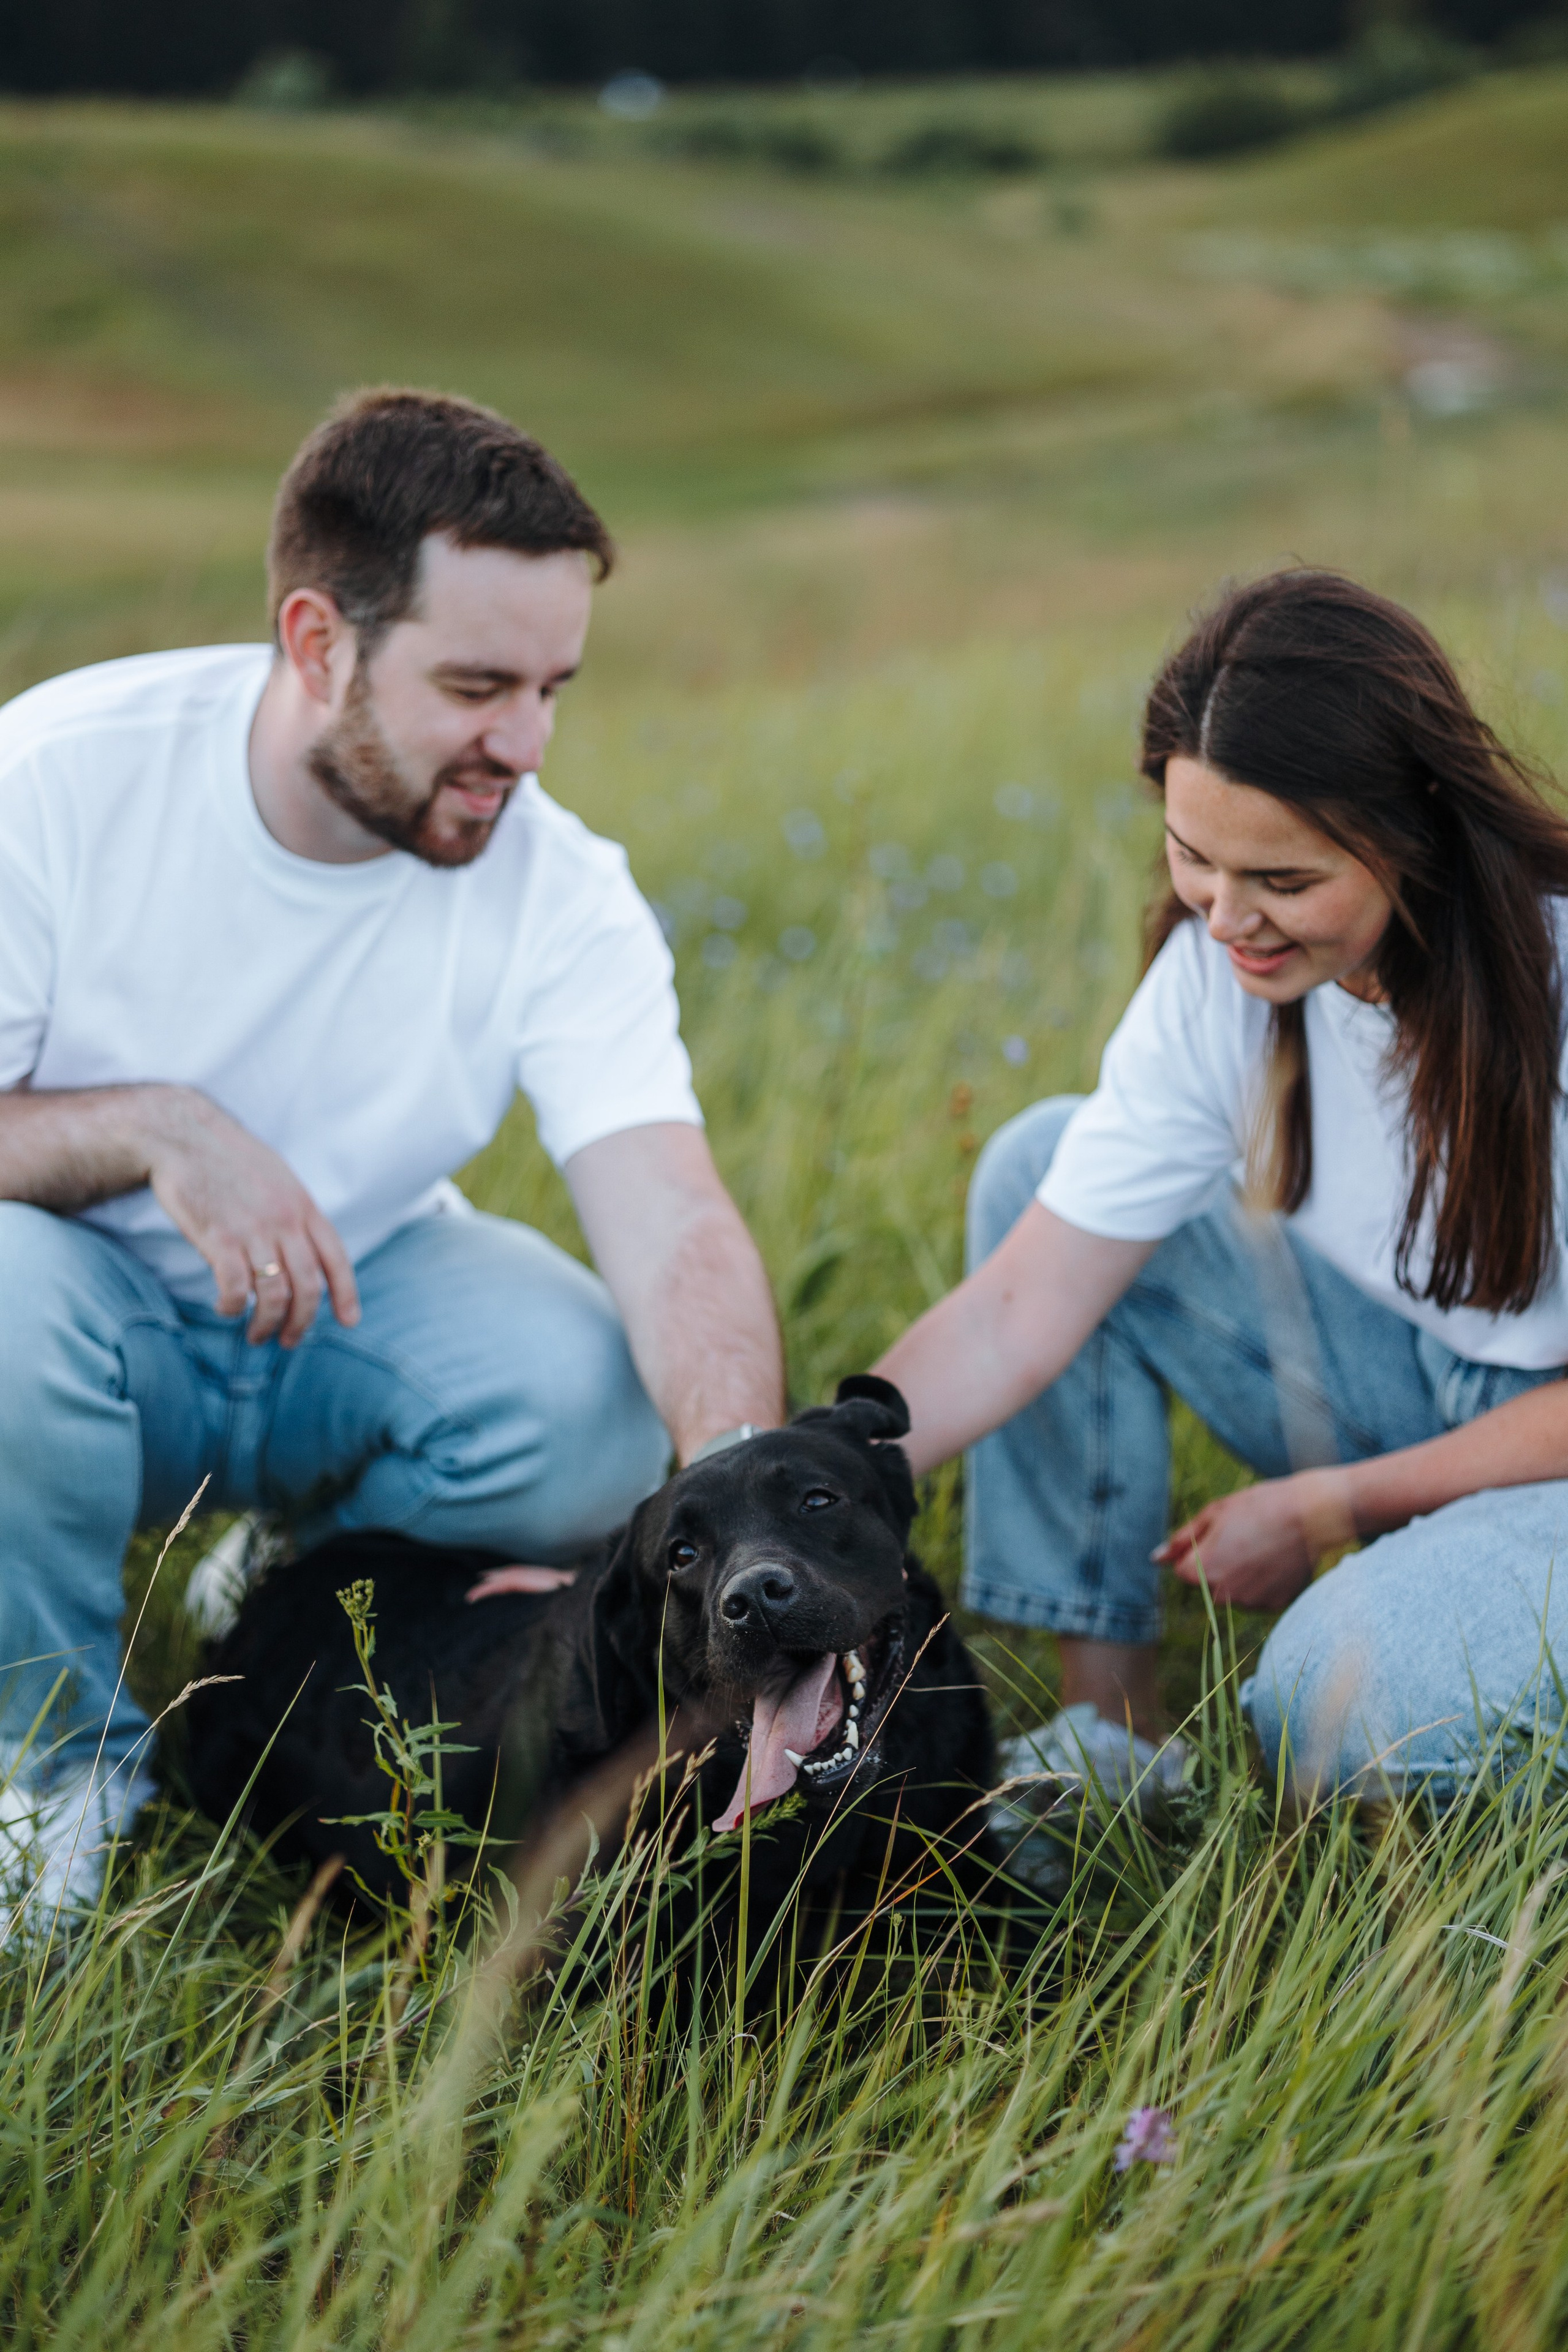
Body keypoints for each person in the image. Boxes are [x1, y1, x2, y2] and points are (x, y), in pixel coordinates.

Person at [0, 388, 784, 1916]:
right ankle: (53, 1771)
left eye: (554, 687)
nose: (528, 745)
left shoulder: (554, 884)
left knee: (591, 1400)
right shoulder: (54, 782)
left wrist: (730, 1514)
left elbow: (671, 1215)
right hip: (70, 1319)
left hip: (341, 1317)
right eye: (479, 685)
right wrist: (156, 1128)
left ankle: (294, 1581)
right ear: (317, 643)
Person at [878, 568, 1568, 1814]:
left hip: (1550, 1449)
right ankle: (1111, 1746)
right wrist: (807, 1467)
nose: (1225, 919)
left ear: (1412, 831)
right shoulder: (1221, 977)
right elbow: (1019, 1307)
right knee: (1044, 1159)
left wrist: (1332, 1503)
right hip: (1408, 1371)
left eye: (1283, 883)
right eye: (1191, 858)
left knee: (1326, 1709)